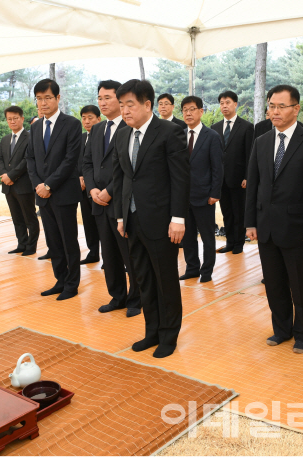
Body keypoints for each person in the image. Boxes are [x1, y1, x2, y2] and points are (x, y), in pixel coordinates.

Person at [245, 84, 303, 355]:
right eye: (272, 106)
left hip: (298, 229)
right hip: (266, 227)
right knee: (274, 283)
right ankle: (282, 329)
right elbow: (254, 186)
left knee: (300, 284)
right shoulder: (262, 141)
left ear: (296, 108)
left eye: (282, 106)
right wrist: (250, 222)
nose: (275, 111)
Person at [113, 79, 189, 358]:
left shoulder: (170, 132)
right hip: (132, 221)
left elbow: (180, 179)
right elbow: (120, 176)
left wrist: (178, 218)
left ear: (147, 104)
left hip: (162, 221)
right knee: (143, 279)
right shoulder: (122, 135)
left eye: (130, 104)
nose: (125, 110)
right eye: (121, 105)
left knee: (165, 280)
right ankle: (152, 331)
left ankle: (169, 336)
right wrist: (121, 215)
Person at [83, 80, 142, 317]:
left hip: (122, 204)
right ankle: (117, 296)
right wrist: (93, 190)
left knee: (130, 255)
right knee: (109, 254)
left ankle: (136, 299)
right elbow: (87, 162)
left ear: (119, 100)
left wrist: (109, 190)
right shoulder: (96, 129)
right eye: (100, 98)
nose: (102, 102)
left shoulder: (129, 128)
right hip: (98, 202)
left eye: (107, 97)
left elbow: (130, 169)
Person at [26, 79, 82, 301]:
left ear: (58, 98)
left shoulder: (71, 124)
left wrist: (49, 184)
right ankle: (60, 279)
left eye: (47, 97)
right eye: (39, 98)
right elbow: (30, 159)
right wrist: (38, 185)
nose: (43, 103)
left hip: (64, 193)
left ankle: (72, 284)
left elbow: (70, 160)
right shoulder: (36, 126)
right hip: (43, 195)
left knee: (68, 241)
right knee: (52, 242)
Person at [179, 96, 223, 283]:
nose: (188, 113)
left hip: (204, 196)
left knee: (207, 236)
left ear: (201, 111)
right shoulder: (179, 136)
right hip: (183, 196)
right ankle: (192, 268)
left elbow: (218, 167)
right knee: (187, 236)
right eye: (185, 110)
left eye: (192, 109)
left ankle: (207, 271)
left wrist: (215, 193)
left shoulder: (211, 136)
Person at [212, 91, 254, 255]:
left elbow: (250, 154)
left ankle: (239, 243)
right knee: (226, 213)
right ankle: (229, 242)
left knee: (239, 212)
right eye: (222, 103)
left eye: (227, 102)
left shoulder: (246, 127)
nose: (224, 106)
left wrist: (247, 176)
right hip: (221, 179)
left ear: (235, 104)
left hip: (239, 179)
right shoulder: (215, 128)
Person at [0, 105, 39, 256]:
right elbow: (0, 159)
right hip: (8, 185)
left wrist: (11, 176)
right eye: (9, 119)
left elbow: (27, 160)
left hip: (24, 184)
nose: (12, 121)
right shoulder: (5, 139)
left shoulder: (30, 137)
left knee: (29, 217)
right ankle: (21, 243)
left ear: (22, 119)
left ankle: (31, 246)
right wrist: (4, 175)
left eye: (15, 118)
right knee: (16, 217)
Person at [78, 105, 101, 264]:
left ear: (99, 119)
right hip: (81, 188)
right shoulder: (79, 138)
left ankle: (110, 257)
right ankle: (93, 252)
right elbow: (73, 160)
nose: (87, 121)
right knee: (88, 222)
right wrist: (79, 177)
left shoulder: (103, 137)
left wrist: (89, 180)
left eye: (90, 118)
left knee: (103, 224)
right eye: (84, 118)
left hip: (99, 188)